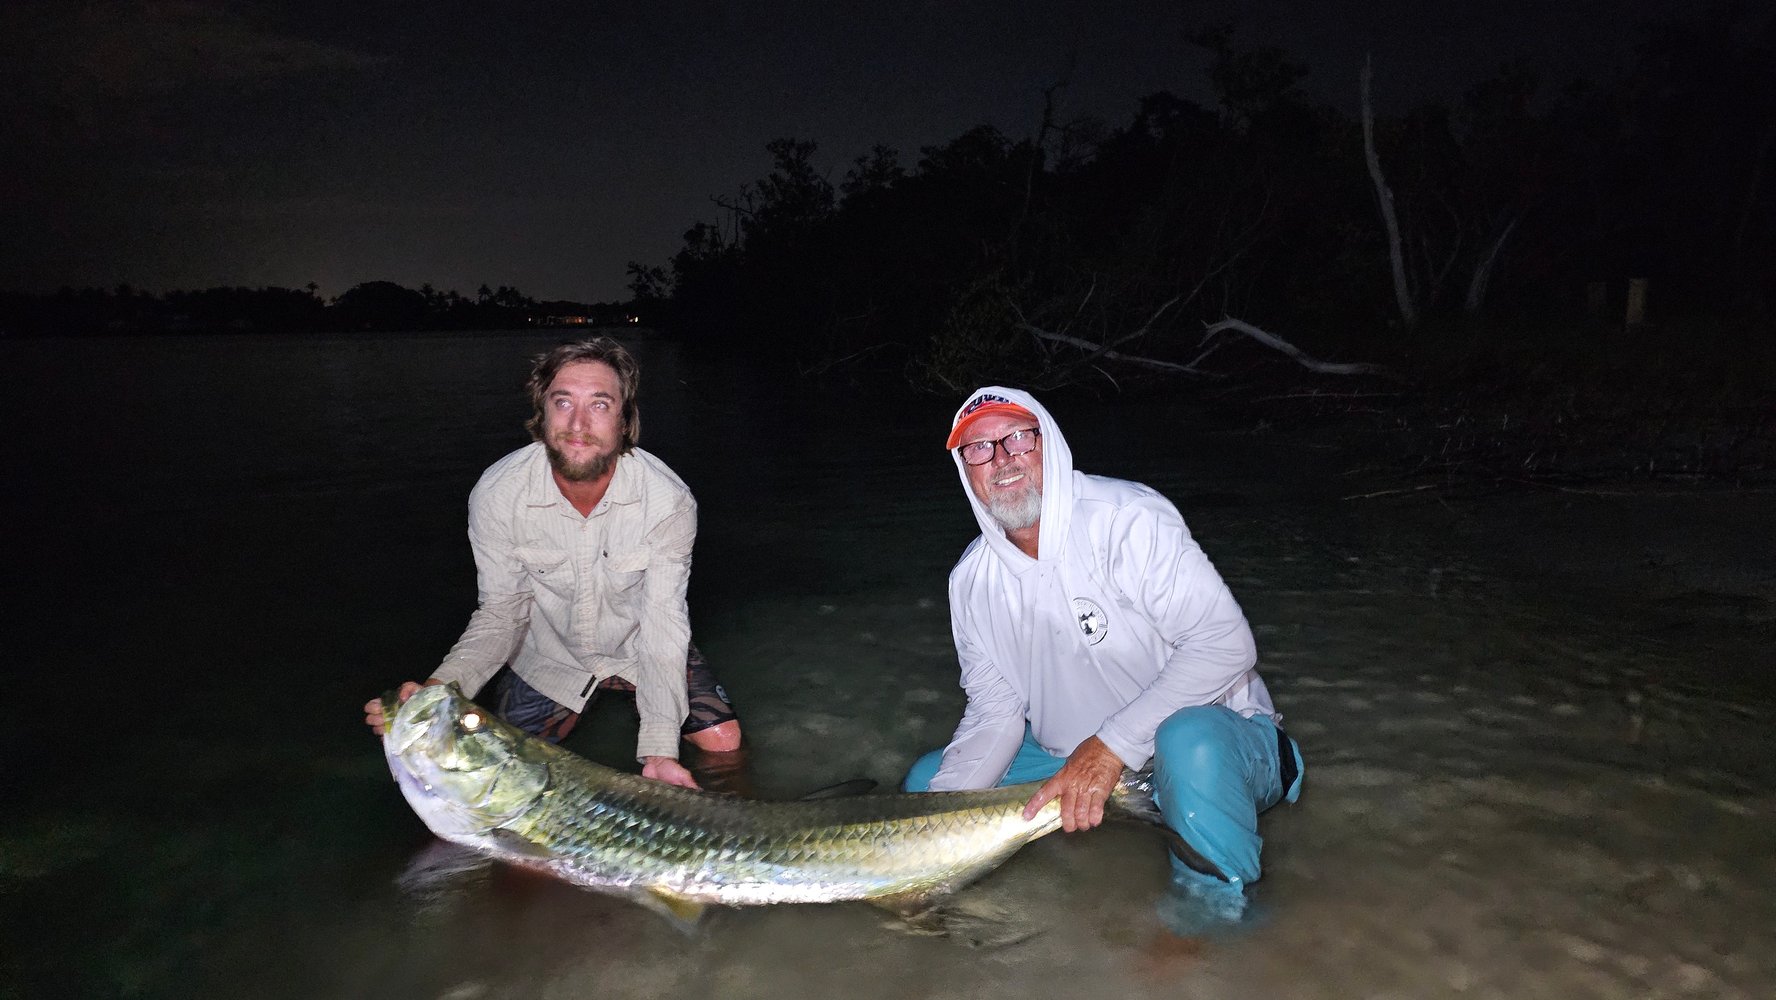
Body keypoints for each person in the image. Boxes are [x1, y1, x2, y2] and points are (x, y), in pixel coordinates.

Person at [902, 386, 1303, 931]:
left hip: (1219, 742)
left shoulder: (1128, 519)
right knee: (927, 788)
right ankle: (930, 913)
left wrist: (1110, 747)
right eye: (979, 449)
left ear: (1050, 442)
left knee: (1189, 740)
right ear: (964, 470)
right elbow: (994, 712)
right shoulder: (972, 582)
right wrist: (928, 833)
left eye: (1017, 438)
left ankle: (1214, 927)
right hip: (1078, 765)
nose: (1002, 460)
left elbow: (1226, 645)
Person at [363, 338, 740, 790]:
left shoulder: (668, 502)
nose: (578, 424)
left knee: (725, 747)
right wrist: (441, 689)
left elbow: (662, 623)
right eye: (562, 402)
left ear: (625, 420)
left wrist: (659, 752)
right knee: (498, 783)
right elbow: (502, 612)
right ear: (541, 414)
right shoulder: (499, 494)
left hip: (639, 646)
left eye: (600, 404)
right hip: (550, 656)